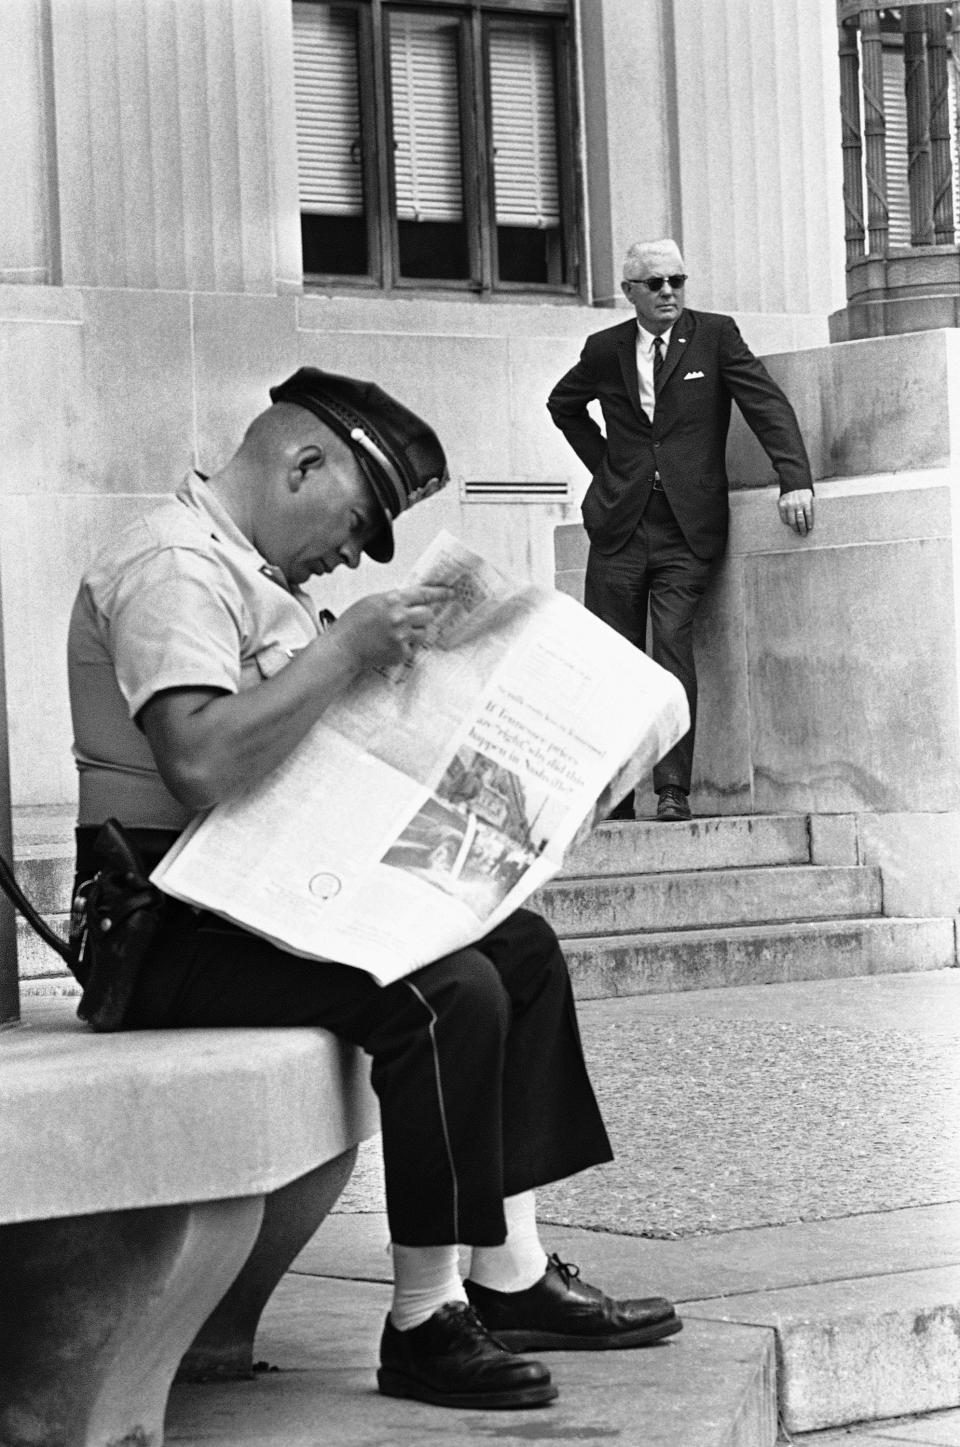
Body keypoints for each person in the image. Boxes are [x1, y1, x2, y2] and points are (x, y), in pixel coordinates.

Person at [67, 367, 682, 1413]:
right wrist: (348, 648)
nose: (349, 555)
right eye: (355, 525)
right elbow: (201, 765)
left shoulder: (258, 581)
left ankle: (511, 1274)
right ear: (302, 461)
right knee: (443, 994)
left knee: (515, 946)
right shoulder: (175, 566)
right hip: (168, 928)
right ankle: (424, 1319)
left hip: (254, 898)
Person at [547, 239, 814, 822]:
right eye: (656, 283)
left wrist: (795, 478)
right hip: (620, 527)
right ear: (631, 293)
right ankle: (613, 796)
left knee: (671, 652)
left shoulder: (715, 336)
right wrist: (609, 468)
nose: (670, 291)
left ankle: (673, 789)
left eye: (678, 280)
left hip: (686, 530)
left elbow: (765, 404)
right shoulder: (604, 348)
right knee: (612, 661)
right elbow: (562, 405)